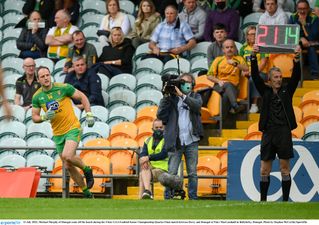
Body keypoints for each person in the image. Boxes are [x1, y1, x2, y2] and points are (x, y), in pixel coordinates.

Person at [32, 66, 96, 198]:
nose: (46, 78)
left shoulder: (63, 87)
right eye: (42, 76)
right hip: (58, 133)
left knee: (67, 155)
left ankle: (87, 169)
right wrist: (44, 117)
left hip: (72, 127)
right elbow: (35, 117)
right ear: (38, 80)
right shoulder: (37, 97)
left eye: (47, 75)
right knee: (67, 165)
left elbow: (82, 97)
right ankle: (87, 193)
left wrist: (89, 113)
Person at [250, 45, 301, 201]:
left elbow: (296, 76)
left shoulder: (287, 91)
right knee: (264, 170)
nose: (279, 79)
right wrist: (253, 57)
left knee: (285, 170)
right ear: (270, 80)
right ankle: (263, 201)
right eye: (276, 77)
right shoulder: (264, 92)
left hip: (284, 132)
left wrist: (297, 59)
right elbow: (255, 76)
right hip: (268, 133)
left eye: (280, 77)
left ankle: (285, 201)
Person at [157, 73, 204, 200]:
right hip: (175, 141)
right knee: (171, 172)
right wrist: (166, 96)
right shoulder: (171, 99)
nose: (184, 84)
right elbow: (160, 115)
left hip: (191, 140)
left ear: (192, 84)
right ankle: (168, 196)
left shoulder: (196, 96)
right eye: (181, 82)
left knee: (192, 173)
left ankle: (193, 197)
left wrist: (182, 96)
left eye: (187, 82)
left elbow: (197, 106)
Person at [139, 119, 185, 200]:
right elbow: (143, 153)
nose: (159, 129)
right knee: (144, 168)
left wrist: (148, 158)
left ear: (165, 128)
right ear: (152, 128)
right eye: (156, 127)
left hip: (164, 169)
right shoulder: (148, 140)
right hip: (151, 168)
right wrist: (144, 160)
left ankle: (145, 195)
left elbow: (163, 154)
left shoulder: (167, 140)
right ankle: (146, 194)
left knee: (143, 173)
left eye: (161, 127)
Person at [207, 39, 249, 115]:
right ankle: (235, 106)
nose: (229, 49)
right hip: (219, 86)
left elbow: (246, 68)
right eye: (227, 47)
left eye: (231, 47)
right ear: (223, 50)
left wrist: (235, 64)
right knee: (227, 84)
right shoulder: (218, 60)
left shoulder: (239, 59)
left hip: (234, 88)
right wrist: (218, 81)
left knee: (226, 96)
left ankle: (221, 122)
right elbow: (209, 76)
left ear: (235, 49)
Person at [239, 26, 269, 113]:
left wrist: (253, 72)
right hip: (246, 72)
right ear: (247, 36)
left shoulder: (262, 47)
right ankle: (241, 104)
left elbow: (263, 63)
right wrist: (243, 72)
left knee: (253, 79)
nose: (254, 36)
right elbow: (240, 62)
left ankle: (254, 104)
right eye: (251, 34)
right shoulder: (243, 48)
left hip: (261, 73)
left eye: (256, 34)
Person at [289, 0, 319, 80]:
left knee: (311, 48)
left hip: (312, 42)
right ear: (296, 8)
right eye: (300, 8)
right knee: (296, 48)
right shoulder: (292, 17)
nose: (302, 11)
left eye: (304, 8)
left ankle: (315, 75)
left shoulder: (314, 18)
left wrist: (304, 24)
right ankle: (295, 75)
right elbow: (290, 35)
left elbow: (313, 37)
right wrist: (300, 38)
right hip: (298, 42)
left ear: (308, 8)